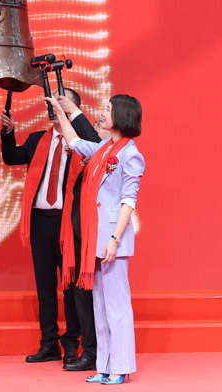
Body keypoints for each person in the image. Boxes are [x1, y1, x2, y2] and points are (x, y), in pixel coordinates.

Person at [46, 94, 145, 385]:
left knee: (116, 307)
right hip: (95, 238)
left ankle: (121, 367)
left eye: (108, 109)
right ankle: (105, 365)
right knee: (100, 307)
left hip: (112, 240)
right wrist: (59, 112)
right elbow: (75, 142)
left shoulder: (130, 154)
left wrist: (115, 238)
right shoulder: (105, 148)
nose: (103, 113)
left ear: (122, 115)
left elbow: (129, 201)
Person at [0, 89, 99, 369]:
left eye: (60, 104)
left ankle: (72, 345)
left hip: (69, 224)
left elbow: (97, 153)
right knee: (45, 286)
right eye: (51, 104)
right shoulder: (37, 139)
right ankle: (49, 344)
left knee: (71, 287)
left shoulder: (83, 144)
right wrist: (8, 132)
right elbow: (12, 157)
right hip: (40, 222)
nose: (53, 108)